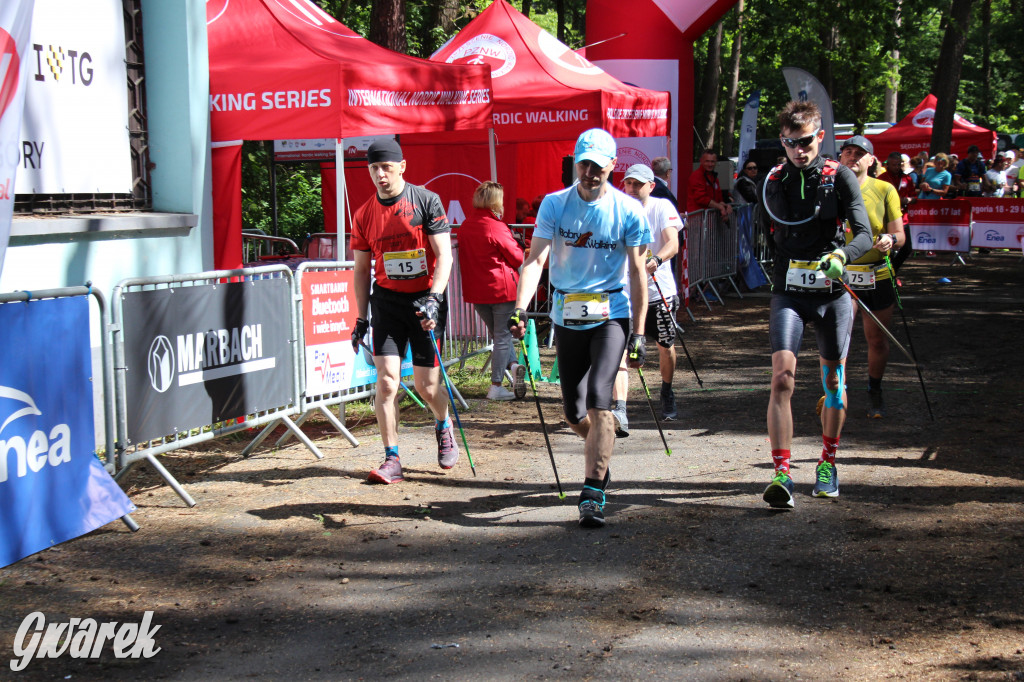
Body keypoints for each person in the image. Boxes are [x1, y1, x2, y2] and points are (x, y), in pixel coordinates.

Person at [508, 127, 651, 529]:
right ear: (575, 163)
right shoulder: (555, 205)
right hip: (566, 315)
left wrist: (639, 332)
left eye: (598, 167)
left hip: (612, 313)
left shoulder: (628, 210)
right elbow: (535, 261)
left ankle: (593, 490)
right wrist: (520, 309)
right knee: (573, 411)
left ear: (611, 167)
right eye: (583, 165)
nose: (589, 173)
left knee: (600, 400)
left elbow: (638, 272)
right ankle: (599, 449)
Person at [757, 100, 872, 509]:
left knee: (834, 384)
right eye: (789, 143)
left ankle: (827, 462)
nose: (797, 150)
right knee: (782, 379)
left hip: (833, 296)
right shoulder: (772, 180)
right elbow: (769, 235)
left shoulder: (839, 177)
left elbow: (865, 233)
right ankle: (782, 473)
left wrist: (842, 256)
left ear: (819, 137)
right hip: (789, 293)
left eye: (805, 142)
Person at [350, 138, 460, 485]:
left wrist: (435, 297)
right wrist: (361, 317)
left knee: (427, 387)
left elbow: (445, 255)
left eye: (386, 167)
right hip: (386, 302)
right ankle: (392, 458)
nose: (380, 175)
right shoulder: (365, 214)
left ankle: (443, 425)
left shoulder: (425, 201)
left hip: (424, 302)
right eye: (373, 169)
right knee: (386, 383)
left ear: (402, 166)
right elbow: (361, 270)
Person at [610, 164, 683, 430]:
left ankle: (666, 389)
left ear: (651, 186)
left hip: (657, 290)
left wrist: (657, 259)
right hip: (624, 294)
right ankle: (620, 408)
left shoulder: (661, 207)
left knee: (665, 345)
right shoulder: (616, 208)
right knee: (620, 350)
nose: (631, 189)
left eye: (638, 184)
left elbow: (673, 243)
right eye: (628, 183)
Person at [838, 136, 905, 419]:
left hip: (876, 274)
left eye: (859, 153)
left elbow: (901, 235)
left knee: (876, 339)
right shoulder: (830, 189)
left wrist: (890, 239)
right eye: (848, 152)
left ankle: (874, 390)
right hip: (842, 275)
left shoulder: (884, 189)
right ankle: (835, 391)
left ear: (871, 160)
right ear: (839, 158)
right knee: (837, 337)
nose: (852, 157)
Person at [457, 181, 527, 401]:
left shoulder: (466, 225)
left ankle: (514, 367)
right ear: (496, 201)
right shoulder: (495, 226)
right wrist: (519, 244)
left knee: (500, 336)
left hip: (477, 290)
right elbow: (516, 257)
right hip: (501, 288)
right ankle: (496, 385)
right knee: (503, 337)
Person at [877, 151, 917, 271]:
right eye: (894, 165)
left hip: (903, 218)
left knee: (907, 248)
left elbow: (915, 198)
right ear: (887, 165)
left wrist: (908, 200)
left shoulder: (907, 178)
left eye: (899, 164)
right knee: (887, 247)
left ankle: (893, 270)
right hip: (886, 219)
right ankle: (887, 272)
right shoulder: (882, 179)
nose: (897, 167)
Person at [686, 149, 732, 217]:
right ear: (701, 161)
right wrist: (720, 207)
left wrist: (725, 206)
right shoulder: (696, 176)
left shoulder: (714, 177)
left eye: (712, 161)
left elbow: (719, 198)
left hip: (710, 219)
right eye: (707, 161)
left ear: (716, 162)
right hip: (698, 219)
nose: (710, 164)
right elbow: (701, 198)